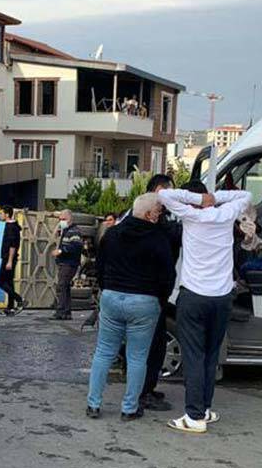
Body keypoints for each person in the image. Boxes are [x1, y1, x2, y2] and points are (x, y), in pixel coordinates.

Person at [158, 181, 253, 434]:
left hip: (194, 296)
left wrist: (199, 200)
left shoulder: (190, 216)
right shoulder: (226, 214)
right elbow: (246, 195)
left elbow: (164, 194)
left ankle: (194, 416)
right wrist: (215, 198)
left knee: (194, 357)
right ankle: (205, 408)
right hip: (222, 298)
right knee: (211, 355)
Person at [85, 193, 175, 421]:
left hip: (112, 297)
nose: (160, 215)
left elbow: (100, 266)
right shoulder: (158, 238)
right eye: (158, 211)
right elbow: (167, 275)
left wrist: (107, 289)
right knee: (137, 357)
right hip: (144, 301)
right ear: (148, 214)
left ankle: (93, 404)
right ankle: (129, 408)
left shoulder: (112, 234)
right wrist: (160, 300)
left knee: (104, 352)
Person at [139, 173, 183, 412]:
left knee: (156, 343)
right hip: (150, 290)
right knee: (151, 344)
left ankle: (148, 387)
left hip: (157, 290)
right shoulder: (147, 219)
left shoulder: (159, 217)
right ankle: (143, 392)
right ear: (158, 190)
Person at [51, 210, 83, 320]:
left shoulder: (74, 231)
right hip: (64, 262)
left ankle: (61, 311)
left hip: (69, 263)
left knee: (61, 286)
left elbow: (76, 246)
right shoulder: (65, 230)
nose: (61, 221)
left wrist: (61, 251)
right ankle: (66, 312)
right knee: (65, 287)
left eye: (63, 219)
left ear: (70, 219)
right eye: (60, 219)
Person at [0, 205, 24, 316]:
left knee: (1, 282)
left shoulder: (11, 227)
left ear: (7, 214)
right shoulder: (10, 225)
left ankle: (19, 299)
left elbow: (13, 245)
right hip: (7, 257)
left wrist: (9, 260)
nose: (0, 215)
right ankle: (10, 307)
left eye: (1, 213)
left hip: (8, 258)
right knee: (9, 282)